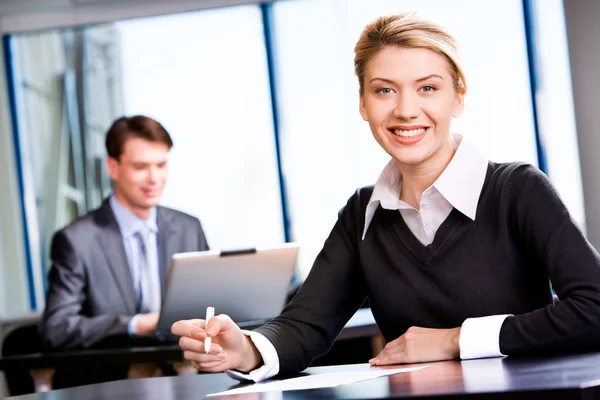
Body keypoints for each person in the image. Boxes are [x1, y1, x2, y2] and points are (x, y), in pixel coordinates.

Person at [172, 11, 600, 381]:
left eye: (427, 88)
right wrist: (244, 350)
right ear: (363, 103)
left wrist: (454, 340)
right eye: (384, 90)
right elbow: (305, 326)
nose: (406, 110)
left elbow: (594, 307)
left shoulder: (517, 190)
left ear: (459, 97)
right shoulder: (362, 214)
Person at [40, 115, 209, 352]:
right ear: (113, 167)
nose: (154, 178)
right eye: (141, 167)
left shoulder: (189, 229)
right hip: (116, 378)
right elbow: (56, 328)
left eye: (161, 165)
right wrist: (136, 325)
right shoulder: (77, 241)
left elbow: (210, 304)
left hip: (187, 367)